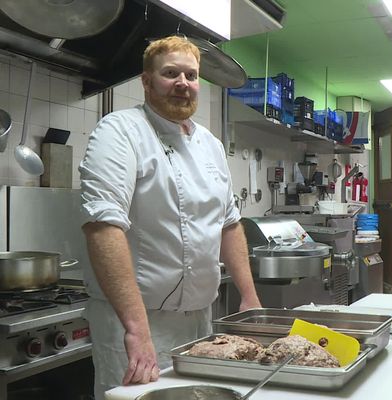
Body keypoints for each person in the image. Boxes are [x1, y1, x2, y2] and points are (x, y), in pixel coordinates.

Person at [79, 36, 261, 398]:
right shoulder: (120, 131)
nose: (183, 83)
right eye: (170, 73)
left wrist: (250, 299)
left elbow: (229, 223)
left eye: (191, 75)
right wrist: (136, 328)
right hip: (136, 320)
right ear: (147, 81)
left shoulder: (209, 144)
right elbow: (104, 227)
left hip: (199, 321)